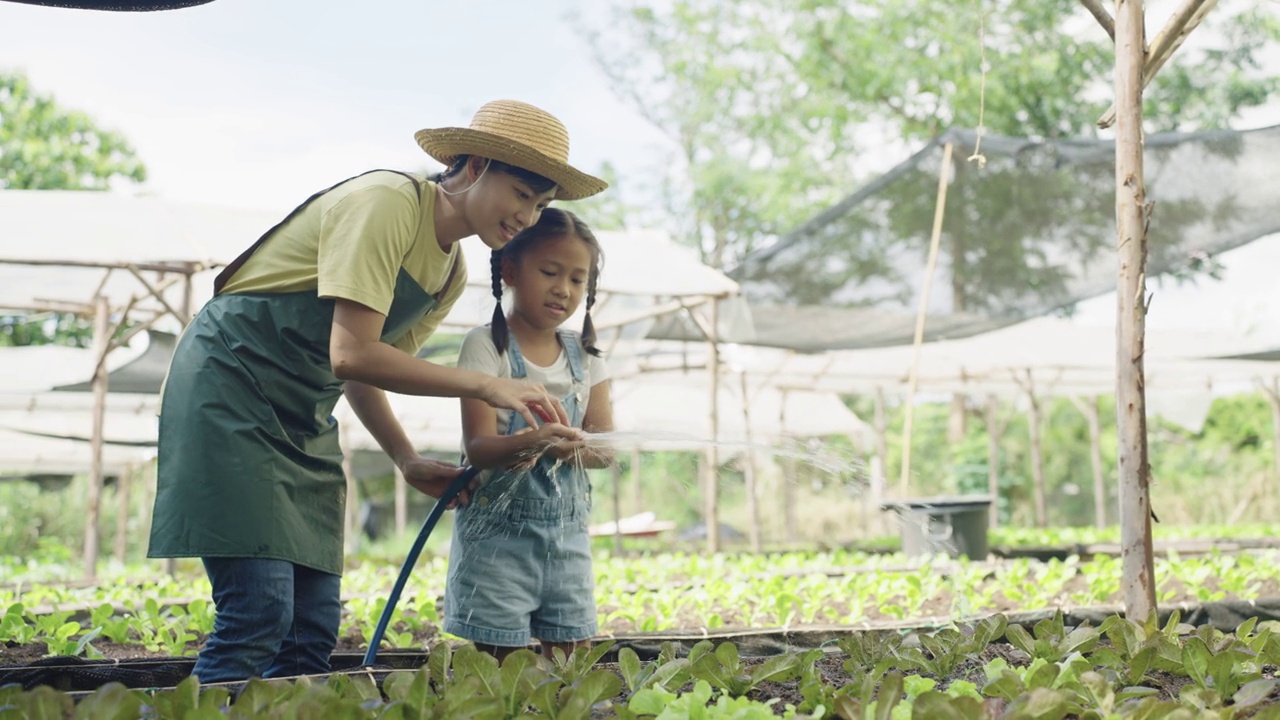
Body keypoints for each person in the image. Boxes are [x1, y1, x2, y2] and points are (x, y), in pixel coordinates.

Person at [147, 100, 607, 684]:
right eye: (520, 193)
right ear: (473, 165)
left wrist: (406, 458)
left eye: (540, 204)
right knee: (258, 611)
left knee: (311, 626)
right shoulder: (388, 203)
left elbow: (366, 369)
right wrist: (490, 384)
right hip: (231, 386)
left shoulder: (449, 272)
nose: (527, 215)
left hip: (304, 411)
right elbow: (351, 352)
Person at [445, 207, 614, 662]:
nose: (564, 289)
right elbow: (479, 449)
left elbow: (605, 448)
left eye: (578, 280)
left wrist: (571, 448)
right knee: (499, 664)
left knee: (571, 659)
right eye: (550, 272)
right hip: (497, 542)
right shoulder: (487, 347)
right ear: (510, 270)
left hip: (567, 537)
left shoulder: (588, 356)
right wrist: (536, 441)